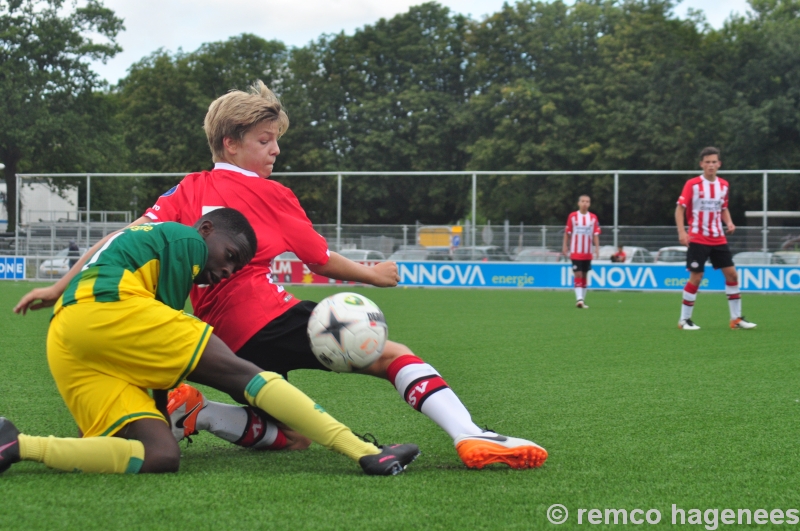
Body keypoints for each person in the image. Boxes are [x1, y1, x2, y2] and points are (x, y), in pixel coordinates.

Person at [14, 81, 547, 470]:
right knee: (389, 352)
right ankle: (472, 435)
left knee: (291, 438)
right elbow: (319, 261)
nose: (276, 150)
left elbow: (118, 241)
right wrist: (374, 275)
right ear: (231, 143)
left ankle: (198, 414)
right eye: (266, 140)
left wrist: (59, 285)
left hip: (217, 337)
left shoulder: (185, 191)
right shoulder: (271, 194)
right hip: (265, 316)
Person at [3, 208, 419, 476]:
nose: (226, 270)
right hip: (111, 311)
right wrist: (159, 398)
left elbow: (110, 245)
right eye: (230, 255)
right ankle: (364, 451)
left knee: (159, 456)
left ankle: (16, 445)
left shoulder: (146, 236)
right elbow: (167, 356)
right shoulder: (184, 241)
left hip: (68, 336)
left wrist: (58, 290)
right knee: (244, 374)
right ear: (205, 229)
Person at [675, 147, 756, 331]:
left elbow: (723, 208)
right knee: (696, 276)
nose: (711, 165)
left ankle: (736, 319)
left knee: (732, 275)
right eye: (707, 162)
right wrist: (682, 232)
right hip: (697, 237)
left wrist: (729, 222)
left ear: (719, 164)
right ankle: (684, 320)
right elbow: (680, 208)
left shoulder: (724, 185)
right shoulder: (693, 184)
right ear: (701, 164)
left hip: (718, 238)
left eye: (714, 162)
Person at [562, 195, 600, 309]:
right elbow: (567, 232)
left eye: (587, 201)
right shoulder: (573, 216)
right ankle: (579, 299)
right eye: (583, 201)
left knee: (584, 275)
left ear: (590, 204)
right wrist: (565, 245)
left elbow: (596, 234)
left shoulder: (593, 218)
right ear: (579, 203)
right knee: (577, 273)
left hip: (587, 252)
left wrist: (597, 248)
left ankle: (582, 300)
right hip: (576, 251)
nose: (585, 203)